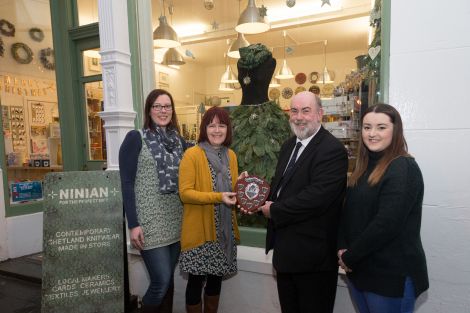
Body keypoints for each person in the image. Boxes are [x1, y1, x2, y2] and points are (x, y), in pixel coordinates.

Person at [258, 91, 349, 313]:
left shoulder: (332, 150)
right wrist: (255, 196)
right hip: (286, 256)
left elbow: (315, 199)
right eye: (294, 111)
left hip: (313, 261)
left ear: (320, 114)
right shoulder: (289, 146)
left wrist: (275, 210)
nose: (299, 117)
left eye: (306, 111)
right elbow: (279, 189)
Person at [337, 103, 429, 313]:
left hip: (390, 277)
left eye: (381, 127)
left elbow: (386, 224)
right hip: (360, 270)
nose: (372, 134)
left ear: (395, 130)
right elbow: (347, 213)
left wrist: (349, 257)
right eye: (367, 127)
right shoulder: (363, 167)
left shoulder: (403, 168)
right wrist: (341, 248)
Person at [119, 89, 186, 313]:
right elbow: (126, 183)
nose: (163, 110)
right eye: (157, 106)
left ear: (173, 110)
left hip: (176, 220)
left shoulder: (179, 141)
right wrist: (133, 224)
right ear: (149, 109)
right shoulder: (135, 138)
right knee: (161, 281)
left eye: (167, 106)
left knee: (168, 283)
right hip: (148, 223)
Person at [178, 107, 241, 313]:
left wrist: (241, 185)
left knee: (215, 282)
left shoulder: (230, 156)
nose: (216, 130)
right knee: (195, 283)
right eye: (211, 125)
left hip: (223, 233)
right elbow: (185, 193)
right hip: (199, 234)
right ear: (204, 128)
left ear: (227, 129)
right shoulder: (192, 154)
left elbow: (230, 192)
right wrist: (218, 197)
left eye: (221, 125)